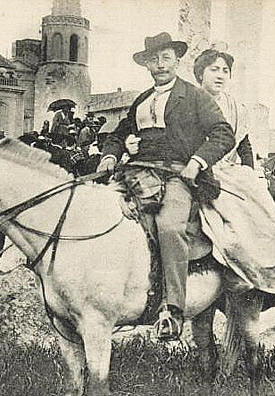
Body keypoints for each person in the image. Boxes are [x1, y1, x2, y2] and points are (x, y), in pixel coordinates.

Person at [98, 32, 235, 340]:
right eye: (154, 60)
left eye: (166, 58)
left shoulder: (194, 96)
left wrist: (197, 162)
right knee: (97, 208)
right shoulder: (142, 101)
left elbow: (224, 133)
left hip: (176, 175)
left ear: (176, 60)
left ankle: (172, 309)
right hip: (136, 173)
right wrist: (109, 156)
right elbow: (118, 135)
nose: (160, 65)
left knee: (170, 227)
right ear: (147, 64)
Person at [193, 46, 254, 167]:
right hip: (194, 167)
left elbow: (244, 146)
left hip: (226, 169)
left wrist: (248, 171)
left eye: (225, 71)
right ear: (200, 74)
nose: (220, 76)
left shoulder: (236, 109)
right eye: (214, 69)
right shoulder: (188, 102)